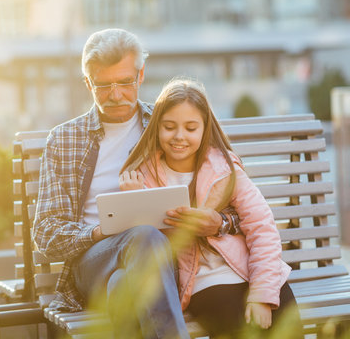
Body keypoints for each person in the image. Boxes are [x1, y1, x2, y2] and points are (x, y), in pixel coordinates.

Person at [32, 29, 240, 338]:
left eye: (125, 83)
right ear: (88, 83)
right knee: (144, 236)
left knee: (123, 289)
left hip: (163, 265)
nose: (116, 95)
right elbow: (46, 233)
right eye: (103, 85)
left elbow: (232, 202)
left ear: (140, 76)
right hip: (94, 262)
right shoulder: (64, 140)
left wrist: (221, 222)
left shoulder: (167, 126)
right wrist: (98, 232)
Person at [119, 78, 303, 338]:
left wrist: (261, 294)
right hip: (203, 283)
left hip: (250, 269)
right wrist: (134, 203)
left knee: (288, 325)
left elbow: (262, 226)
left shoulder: (223, 169)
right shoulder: (144, 177)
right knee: (239, 329)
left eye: (191, 128)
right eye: (169, 127)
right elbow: (141, 246)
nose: (179, 136)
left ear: (205, 129)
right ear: (156, 127)